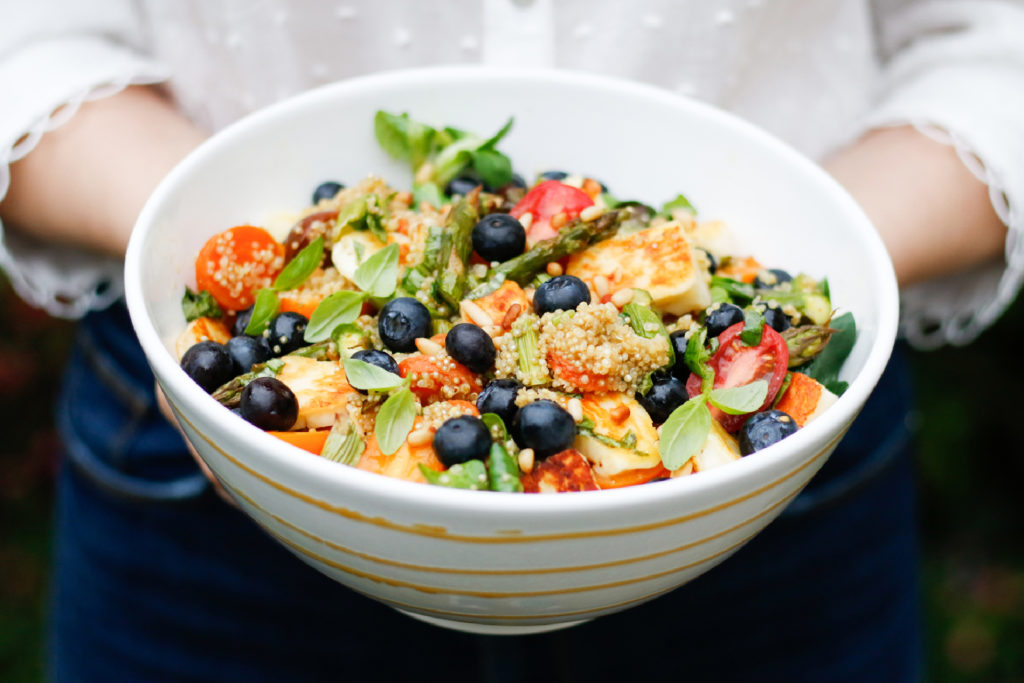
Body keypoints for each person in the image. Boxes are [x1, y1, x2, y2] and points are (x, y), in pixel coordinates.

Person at [1, 1, 1022, 681]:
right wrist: (230, 248)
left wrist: (792, 273)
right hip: (205, 515)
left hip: (774, 513)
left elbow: (994, 50)